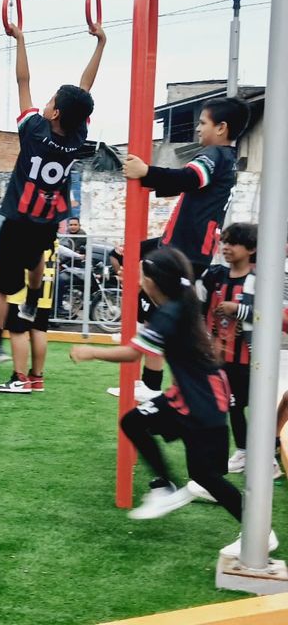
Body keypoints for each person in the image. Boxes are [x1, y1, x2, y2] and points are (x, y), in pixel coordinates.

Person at [70, 247, 276, 559]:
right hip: (192, 394)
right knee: (135, 422)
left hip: (202, 399)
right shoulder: (180, 302)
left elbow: (133, 354)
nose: (138, 280)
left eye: (141, 275)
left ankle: (260, 533)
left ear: (153, 281)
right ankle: (165, 486)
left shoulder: (170, 312)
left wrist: (90, 351)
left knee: (206, 475)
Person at [0, 23, 105, 364]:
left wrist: (21, 39)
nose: (46, 100)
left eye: (51, 99)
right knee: (39, 256)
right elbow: (86, 87)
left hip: (19, 215)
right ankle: (32, 299)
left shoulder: (33, 129)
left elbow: (22, 81)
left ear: (54, 113)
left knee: (1, 286)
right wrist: (101, 44)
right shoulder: (78, 136)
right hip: (48, 215)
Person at [123, 96, 250, 401]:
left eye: (202, 123)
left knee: (160, 310)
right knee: (125, 255)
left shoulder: (215, 155)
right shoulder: (226, 159)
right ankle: (143, 333)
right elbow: (189, 185)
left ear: (221, 128)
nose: (197, 128)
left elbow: (189, 178)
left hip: (187, 249)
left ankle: (153, 380)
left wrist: (146, 171)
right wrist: (149, 182)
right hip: (181, 245)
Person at [197, 223, 280, 482]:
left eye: (233, 243)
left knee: (258, 408)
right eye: (224, 242)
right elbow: (200, 308)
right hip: (221, 358)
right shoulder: (214, 276)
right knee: (233, 406)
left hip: (252, 360)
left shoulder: (260, 280)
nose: (226, 247)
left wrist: (238, 309)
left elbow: (271, 316)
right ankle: (243, 451)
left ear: (251, 249)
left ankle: (267, 458)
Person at [0, 242, 57, 394]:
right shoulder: (50, 235)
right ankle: (36, 377)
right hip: (45, 289)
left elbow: (5, 256)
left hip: (24, 289)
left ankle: (19, 379)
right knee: (39, 329)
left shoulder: (24, 234)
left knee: (18, 330)